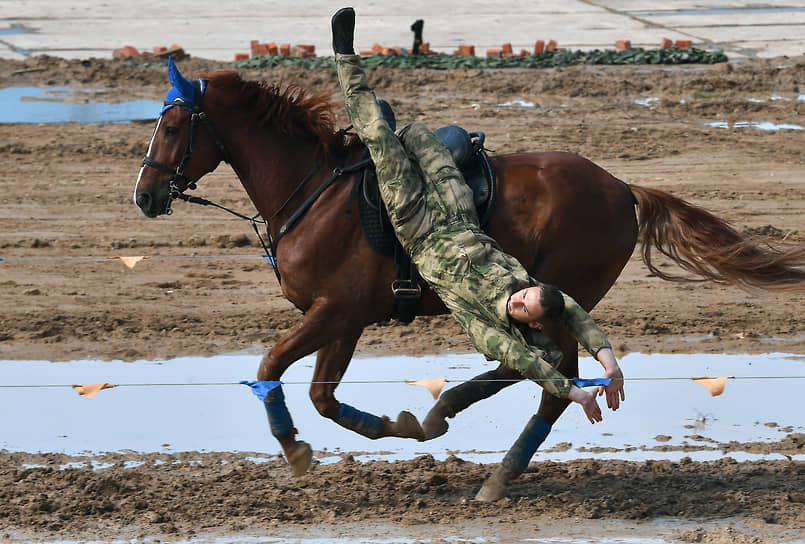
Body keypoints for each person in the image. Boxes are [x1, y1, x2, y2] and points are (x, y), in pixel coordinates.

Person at [331, 8, 625, 429]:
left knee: (378, 137)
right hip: (459, 214)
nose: (519, 298)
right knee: (418, 134)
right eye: (528, 294)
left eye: (523, 307)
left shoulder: (487, 326)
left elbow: (530, 363)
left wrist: (578, 393)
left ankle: (345, 56)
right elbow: (576, 314)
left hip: (418, 228)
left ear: (532, 323)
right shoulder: (530, 290)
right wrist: (609, 363)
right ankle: (400, 136)